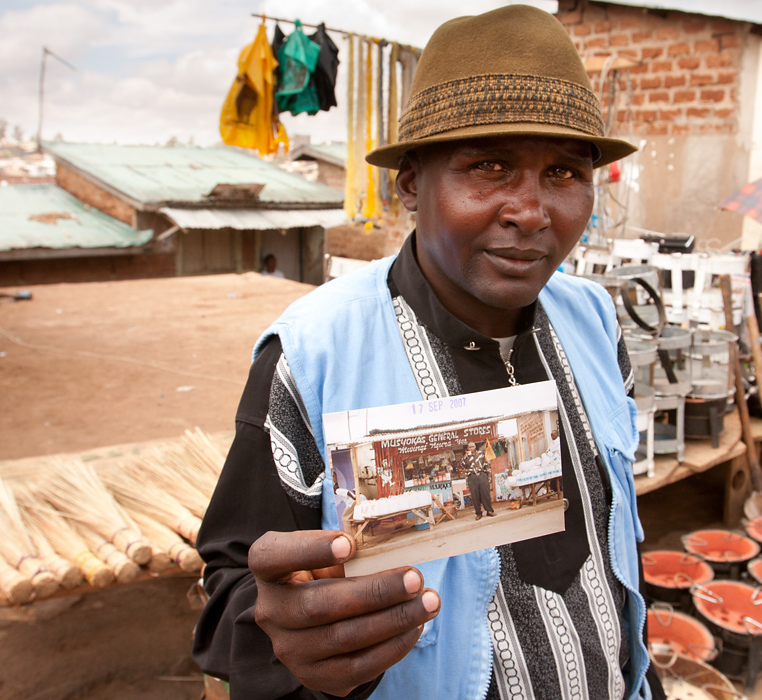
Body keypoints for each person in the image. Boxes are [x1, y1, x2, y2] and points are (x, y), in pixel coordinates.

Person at [193, 6, 663, 700]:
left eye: (563, 173)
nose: (531, 211)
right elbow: (232, 592)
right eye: (489, 167)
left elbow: (614, 539)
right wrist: (286, 639)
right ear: (410, 183)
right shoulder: (313, 354)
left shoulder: (593, 320)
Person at [461, 441, 495, 520]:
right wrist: (466, 457)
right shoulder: (466, 457)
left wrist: (488, 476)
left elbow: (486, 465)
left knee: (485, 494)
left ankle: (489, 511)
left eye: (473, 446)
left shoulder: (481, 454)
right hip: (472, 476)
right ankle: (478, 513)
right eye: (470, 447)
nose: (471, 448)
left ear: (475, 447)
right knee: (475, 496)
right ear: (468, 448)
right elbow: (462, 465)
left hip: (481, 475)